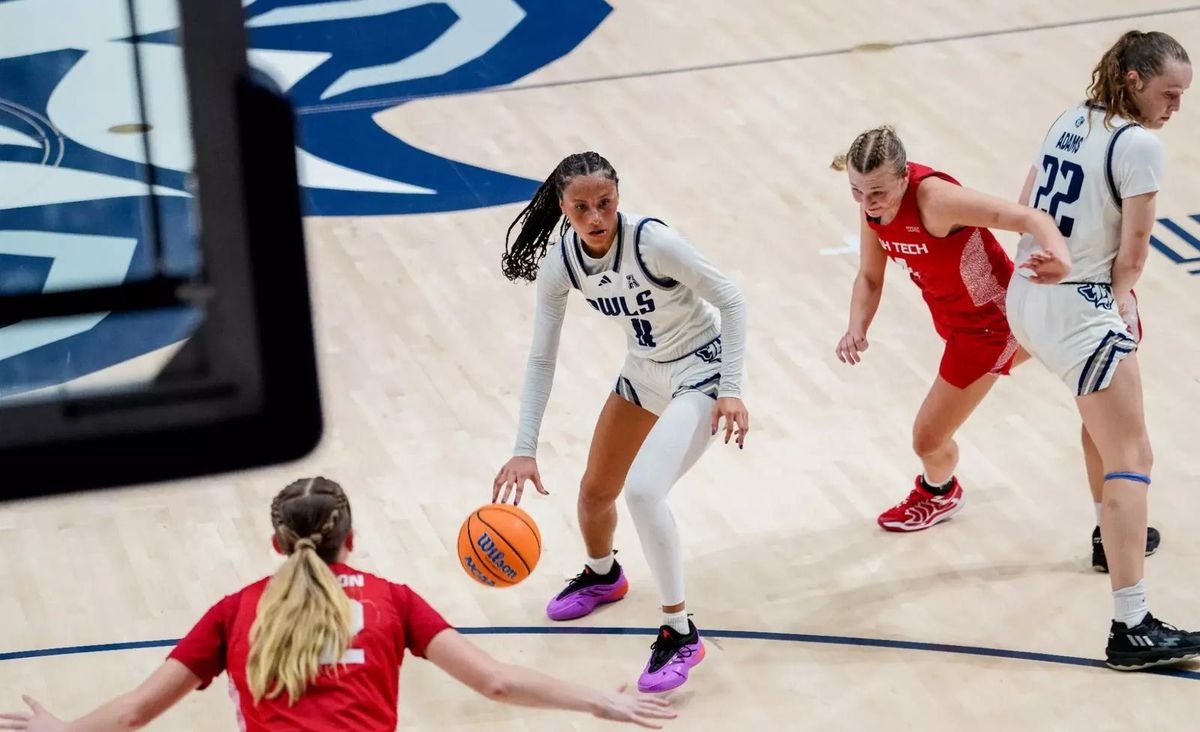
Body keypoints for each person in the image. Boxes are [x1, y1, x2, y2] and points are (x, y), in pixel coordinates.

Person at [0, 478, 676, 731]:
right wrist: (600, 700)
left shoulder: (235, 611)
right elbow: (496, 681)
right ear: (352, 540)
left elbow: (132, 715)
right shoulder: (392, 601)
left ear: (274, 543)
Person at [491, 151, 749, 693]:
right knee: (594, 494)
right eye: (581, 207)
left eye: (604, 203)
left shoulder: (652, 242)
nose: (595, 216)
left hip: (699, 369)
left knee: (644, 492)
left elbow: (732, 298)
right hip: (643, 371)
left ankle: (680, 632)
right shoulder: (563, 260)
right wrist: (524, 447)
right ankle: (605, 574)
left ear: (618, 199)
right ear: (563, 207)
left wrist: (730, 389)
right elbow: (542, 357)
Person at [1006, 30, 1199, 670]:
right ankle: (1132, 626)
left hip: (1030, 290)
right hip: (1080, 303)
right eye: (1170, 94)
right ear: (1137, 81)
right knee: (1133, 453)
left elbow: (1026, 201)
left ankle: (1110, 535)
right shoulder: (1138, 143)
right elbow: (1136, 249)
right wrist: (1118, 304)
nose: (1175, 108)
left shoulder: (1071, 117)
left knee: (1100, 426)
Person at [831, 126, 1071, 531]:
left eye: (876, 192)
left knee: (927, 439)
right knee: (1058, 338)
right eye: (856, 190)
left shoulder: (938, 201)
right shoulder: (874, 203)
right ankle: (1090, 317)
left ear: (904, 176)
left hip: (992, 327)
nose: (867, 203)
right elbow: (870, 277)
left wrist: (1060, 257)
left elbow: (1030, 217)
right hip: (960, 325)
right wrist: (857, 326)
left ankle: (939, 493)